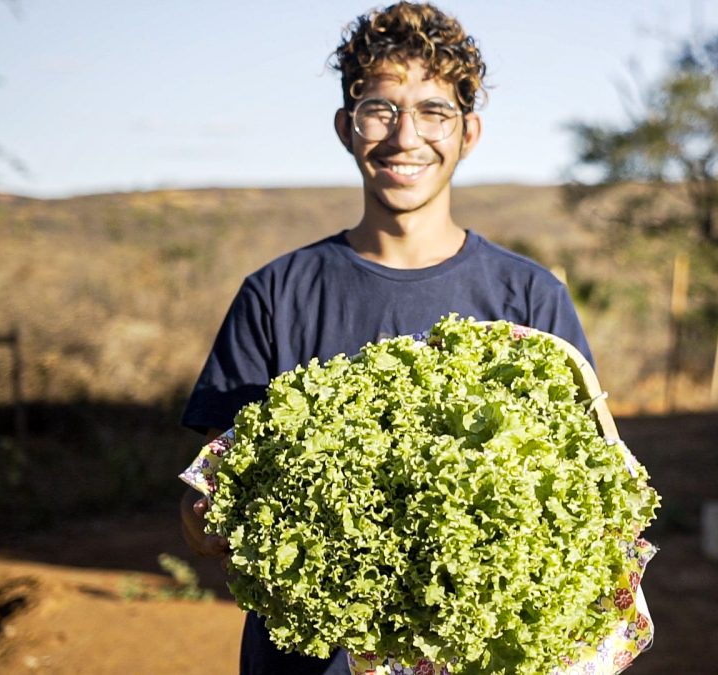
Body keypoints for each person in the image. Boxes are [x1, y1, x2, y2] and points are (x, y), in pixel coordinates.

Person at [178, 3, 594, 673]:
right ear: (347, 127)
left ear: (469, 133)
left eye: (434, 112)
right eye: (380, 109)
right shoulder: (276, 295)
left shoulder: (530, 298)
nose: (405, 137)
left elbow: (586, 498)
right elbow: (206, 507)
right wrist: (217, 520)